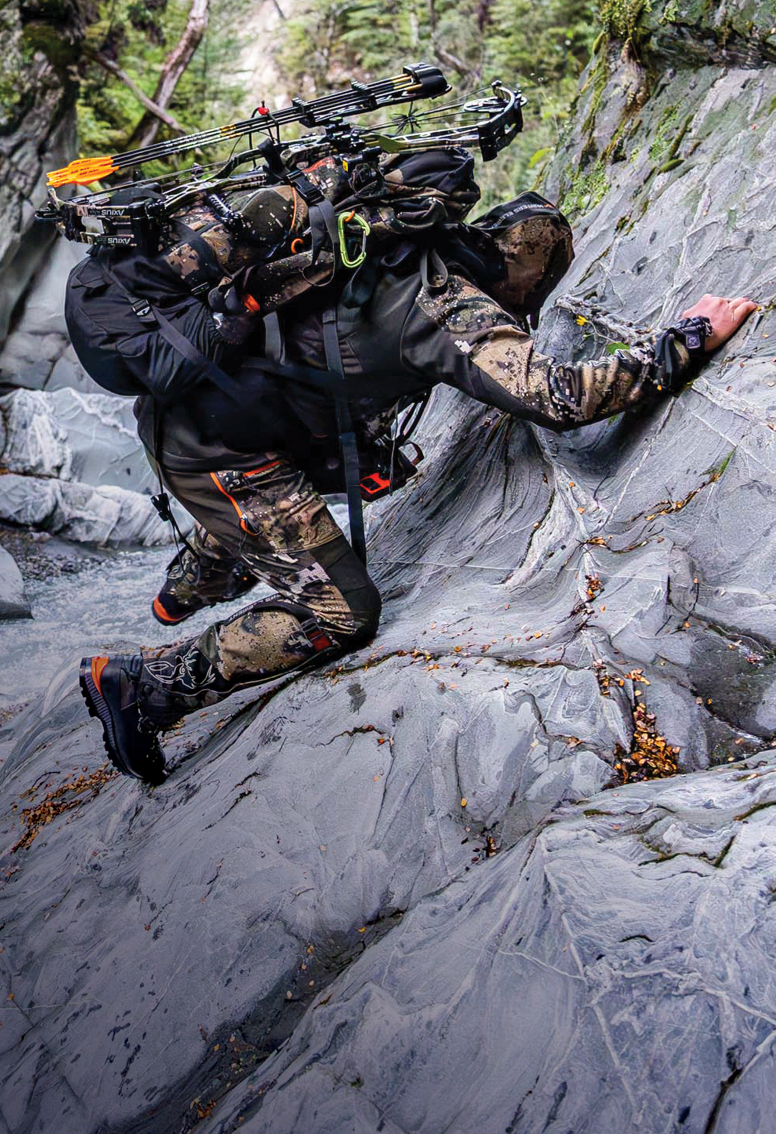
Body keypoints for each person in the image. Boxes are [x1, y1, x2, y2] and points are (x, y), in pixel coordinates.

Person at [78, 186, 757, 784]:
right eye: (538, 287)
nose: (530, 306)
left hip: (226, 419)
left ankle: (191, 582)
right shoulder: (450, 308)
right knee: (344, 614)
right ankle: (146, 687)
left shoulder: (398, 244)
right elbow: (560, 398)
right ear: (526, 273)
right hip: (221, 453)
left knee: (324, 488)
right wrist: (689, 338)